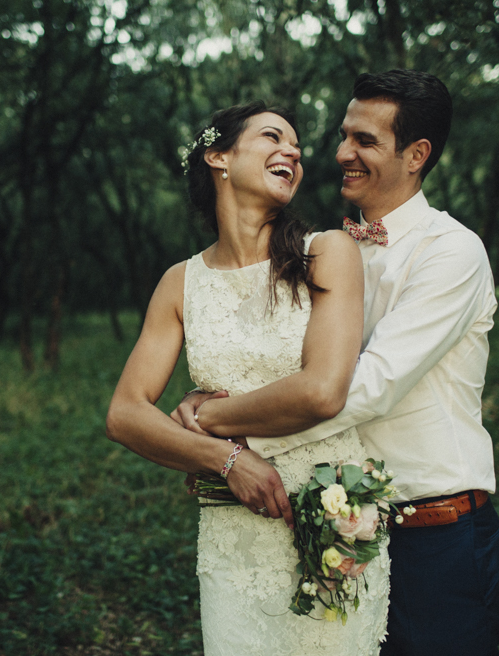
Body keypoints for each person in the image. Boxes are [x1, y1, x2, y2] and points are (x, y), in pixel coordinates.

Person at [174, 71, 499, 655]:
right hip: (335, 521)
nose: (341, 153)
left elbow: (368, 386)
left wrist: (222, 431)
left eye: (365, 141)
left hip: (433, 531)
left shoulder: (451, 251)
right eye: (344, 135)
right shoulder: (323, 250)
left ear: (416, 155)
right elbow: (283, 367)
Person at [106, 101, 391, 655]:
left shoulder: (327, 253)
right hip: (231, 538)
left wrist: (203, 417)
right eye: (272, 137)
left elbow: (322, 389)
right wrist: (225, 459)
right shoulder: (178, 283)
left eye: (297, 148)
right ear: (218, 156)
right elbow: (125, 413)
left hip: (330, 521)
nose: (293, 152)